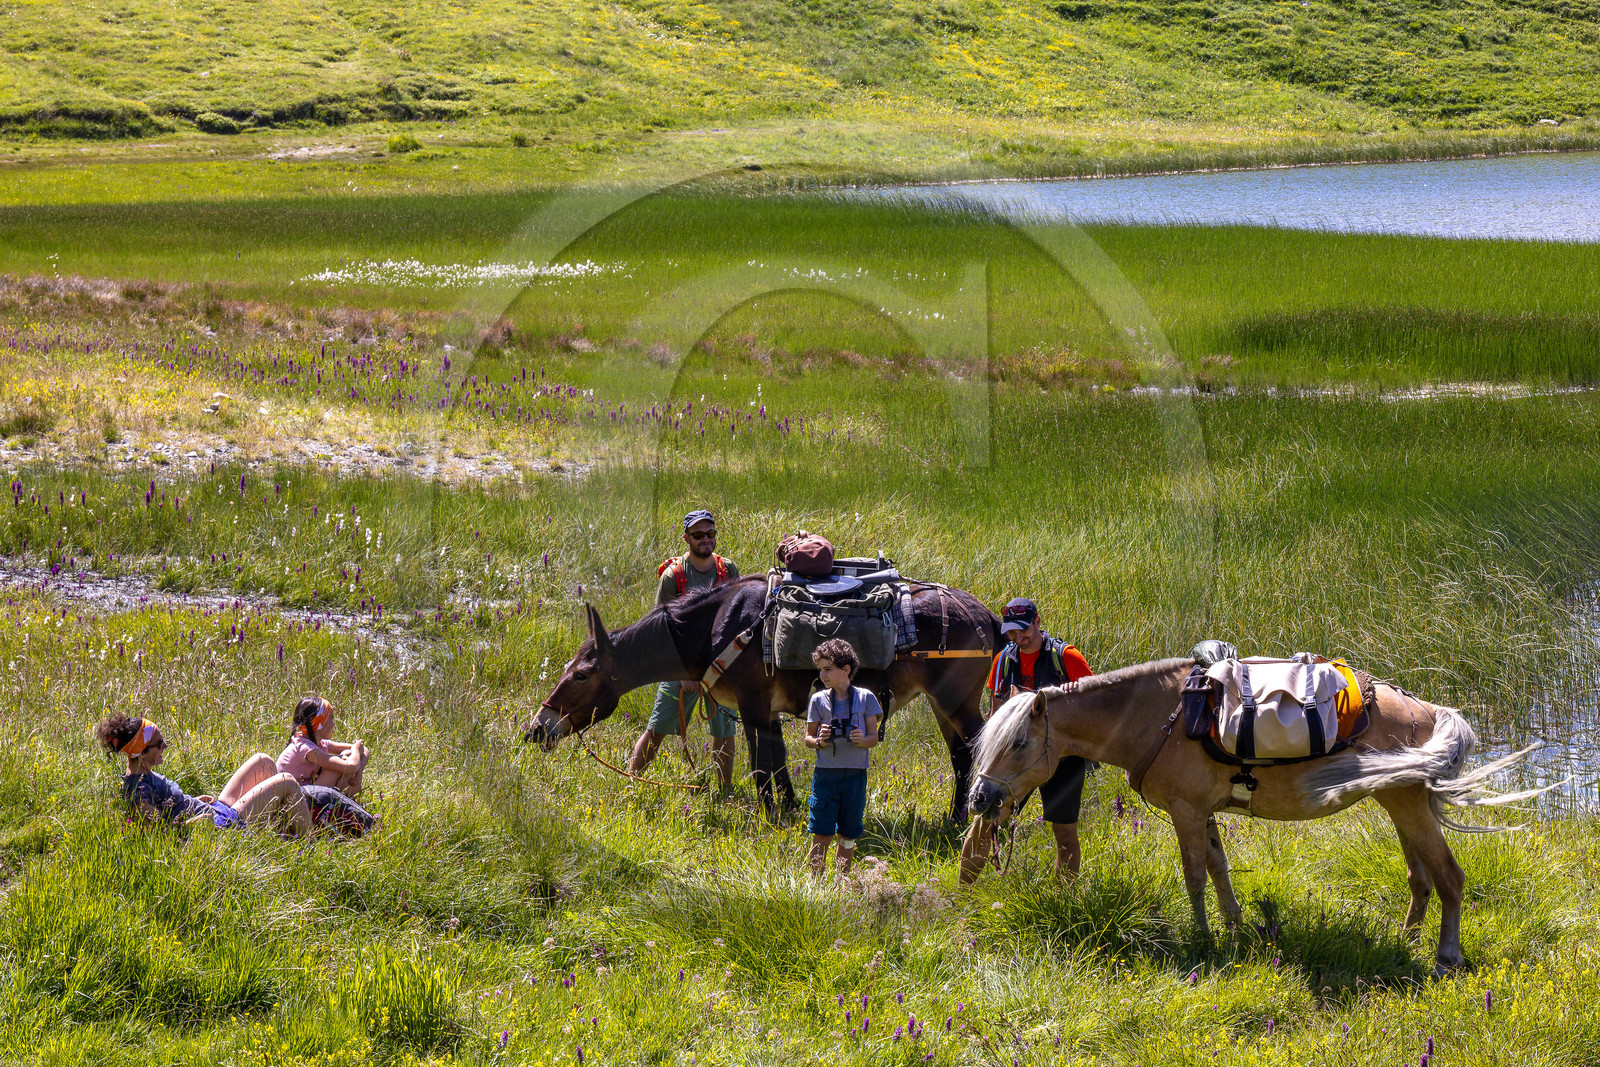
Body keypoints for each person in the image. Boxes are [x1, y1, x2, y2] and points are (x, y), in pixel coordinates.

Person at [961, 598, 1094, 882]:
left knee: (1064, 834)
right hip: (1015, 757)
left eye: (1023, 629)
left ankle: (1064, 900)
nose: (1018, 637)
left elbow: (1096, 706)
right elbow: (996, 715)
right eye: (1011, 632)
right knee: (984, 825)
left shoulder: (1067, 657)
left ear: (1037, 622)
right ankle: (961, 897)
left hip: (1062, 760)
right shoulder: (1003, 661)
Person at [628, 508, 741, 788]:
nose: (706, 539)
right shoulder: (673, 576)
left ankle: (724, 791)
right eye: (698, 535)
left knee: (725, 731)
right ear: (686, 538)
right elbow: (661, 629)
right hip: (681, 665)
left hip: (721, 665)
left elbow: (737, 619)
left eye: (710, 533)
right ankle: (632, 783)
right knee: (658, 728)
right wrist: (682, 672)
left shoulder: (728, 570)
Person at [96, 714, 312, 834]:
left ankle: (279, 833)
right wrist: (194, 823)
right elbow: (161, 834)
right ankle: (308, 844)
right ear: (142, 753)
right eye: (159, 743)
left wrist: (191, 801)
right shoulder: (139, 791)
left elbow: (169, 811)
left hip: (215, 810)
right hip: (220, 826)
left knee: (263, 761)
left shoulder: (144, 774)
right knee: (287, 782)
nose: (165, 746)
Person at [803, 638, 881, 878]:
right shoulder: (818, 699)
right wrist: (820, 741)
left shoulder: (866, 698)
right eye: (820, 669)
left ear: (846, 669)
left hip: (855, 775)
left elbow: (874, 738)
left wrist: (861, 739)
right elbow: (808, 738)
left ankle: (841, 880)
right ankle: (815, 883)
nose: (822, 674)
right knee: (821, 831)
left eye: (828, 669)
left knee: (848, 833)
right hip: (826, 775)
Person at [276, 696, 380, 836]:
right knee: (342, 763)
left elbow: (364, 750)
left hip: (309, 798)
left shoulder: (318, 742)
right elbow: (351, 765)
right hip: (297, 805)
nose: (334, 724)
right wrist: (355, 752)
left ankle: (348, 809)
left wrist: (358, 770)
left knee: (346, 759)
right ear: (320, 724)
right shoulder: (305, 748)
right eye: (331, 719)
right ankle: (347, 812)